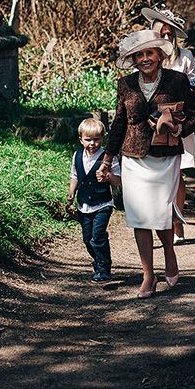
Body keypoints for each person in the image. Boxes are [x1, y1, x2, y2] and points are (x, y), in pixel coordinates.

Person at [98, 29, 195, 299]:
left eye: (149, 53)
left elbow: (193, 117)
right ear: (133, 59)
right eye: (139, 55)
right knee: (139, 217)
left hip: (166, 157)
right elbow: (118, 124)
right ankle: (148, 275)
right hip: (133, 156)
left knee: (162, 212)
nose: (145, 59)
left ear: (159, 55)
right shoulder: (126, 84)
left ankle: (169, 253)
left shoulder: (177, 80)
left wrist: (178, 131)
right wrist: (107, 159)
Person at [142, 6, 195, 244]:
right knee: (156, 174)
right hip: (153, 123)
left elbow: (193, 83)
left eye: (171, 34)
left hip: (179, 123)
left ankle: (177, 222)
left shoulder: (185, 57)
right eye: (163, 34)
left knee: (178, 174)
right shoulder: (148, 56)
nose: (167, 38)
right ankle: (159, 223)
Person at [68, 118, 122, 282]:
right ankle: (98, 260)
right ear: (81, 139)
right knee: (87, 239)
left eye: (97, 139)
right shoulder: (77, 155)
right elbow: (75, 175)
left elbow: (118, 180)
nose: (92, 143)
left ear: (103, 138)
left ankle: (104, 267)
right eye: (88, 139)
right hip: (83, 205)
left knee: (97, 237)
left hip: (103, 204)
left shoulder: (108, 158)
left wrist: (108, 176)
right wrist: (71, 193)